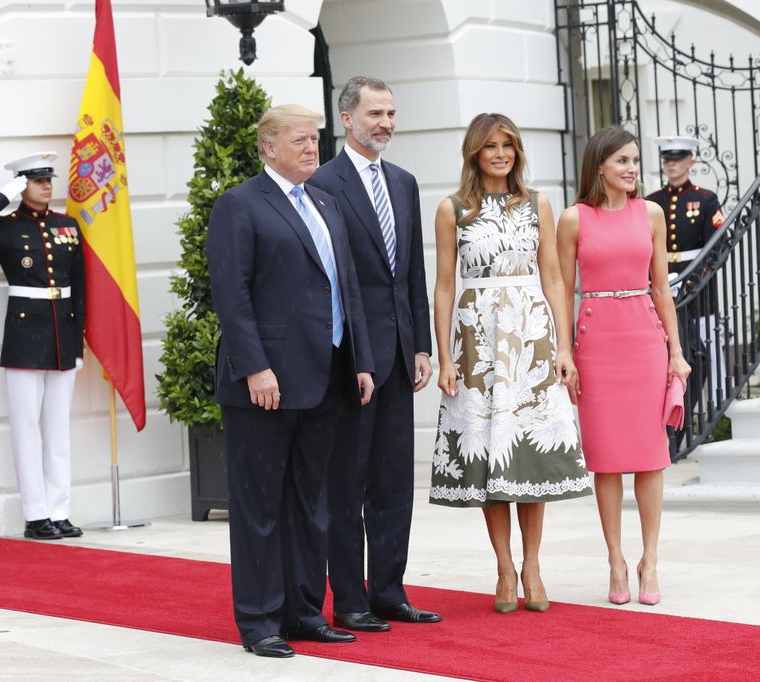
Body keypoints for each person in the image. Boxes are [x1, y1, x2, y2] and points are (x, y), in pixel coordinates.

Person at [206, 104, 376, 659]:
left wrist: (361, 361)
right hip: (267, 381)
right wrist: (256, 366)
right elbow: (232, 295)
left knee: (311, 504)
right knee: (260, 507)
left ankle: (304, 611)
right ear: (268, 148)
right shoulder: (239, 204)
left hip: (325, 375)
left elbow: (347, 289)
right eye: (300, 140)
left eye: (315, 139)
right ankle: (259, 622)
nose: (311, 147)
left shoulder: (324, 201)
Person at [429, 113, 592, 614]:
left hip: (532, 336)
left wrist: (563, 348)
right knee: (488, 459)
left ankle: (533, 566)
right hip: (476, 342)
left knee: (528, 458)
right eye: (491, 146)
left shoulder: (538, 203)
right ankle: (503, 568)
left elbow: (555, 280)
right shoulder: (452, 209)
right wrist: (445, 358)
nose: (501, 153)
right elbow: (444, 285)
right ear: (474, 152)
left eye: (509, 145)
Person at [308, 76, 440, 633]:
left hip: (398, 354)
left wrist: (422, 346)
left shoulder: (405, 183)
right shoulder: (322, 183)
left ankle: (388, 592)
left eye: (391, 113)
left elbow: (410, 272)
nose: (385, 123)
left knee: (392, 482)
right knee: (348, 483)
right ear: (347, 119)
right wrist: (360, 352)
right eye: (375, 114)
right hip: (352, 362)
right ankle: (352, 598)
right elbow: (336, 281)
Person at [556, 126, 692, 606]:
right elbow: (561, 290)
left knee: (651, 457)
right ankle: (615, 558)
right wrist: (565, 350)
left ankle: (649, 559)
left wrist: (675, 352)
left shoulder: (651, 213)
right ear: (599, 167)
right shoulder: (574, 219)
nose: (632, 168)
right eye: (622, 161)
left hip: (644, 339)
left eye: (635, 160)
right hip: (597, 342)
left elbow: (662, 288)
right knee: (608, 461)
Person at [0, 152, 85, 541]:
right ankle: (36, 516)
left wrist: (77, 342)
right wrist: (2, 196)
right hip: (25, 337)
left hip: (63, 335)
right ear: (22, 185)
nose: (46, 185)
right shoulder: (4, 227)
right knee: (27, 429)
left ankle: (59, 511)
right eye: (37, 180)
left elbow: (80, 287)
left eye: (48, 179)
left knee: (58, 430)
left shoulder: (68, 226)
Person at [646, 136, 727, 407]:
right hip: (661, 279)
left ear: (690, 162)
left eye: (677, 159)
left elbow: (717, 246)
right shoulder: (652, 201)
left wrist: (696, 280)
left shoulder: (705, 199)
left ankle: (715, 403)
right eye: (667, 159)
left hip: (697, 283)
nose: (671, 164)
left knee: (708, 343)